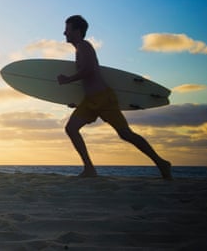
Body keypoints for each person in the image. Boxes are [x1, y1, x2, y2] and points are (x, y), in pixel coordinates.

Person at [57, 15, 172, 180]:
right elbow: (87, 78)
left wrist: (68, 80)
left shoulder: (84, 46)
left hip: (103, 98)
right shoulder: (78, 49)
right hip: (89, 101)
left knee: (125, 134)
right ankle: (89, 169)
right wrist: (75, 101)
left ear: (78, 30)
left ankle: (161, 163)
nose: (64, 33)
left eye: (67, 29)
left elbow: (89, 70)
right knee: (71, 129)